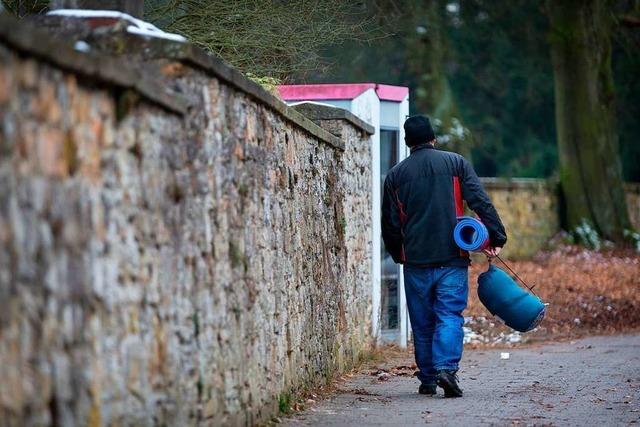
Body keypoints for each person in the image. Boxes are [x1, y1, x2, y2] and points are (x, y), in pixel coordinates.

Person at [381, 115, 507, 398]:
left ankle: (427, 378)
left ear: (407, 143)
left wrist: (398, 254)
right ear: (433, 138)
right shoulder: (455, 163)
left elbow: (390, 224)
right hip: (452, 257)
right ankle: (446, 370)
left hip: (415, 261)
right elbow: (479, 201)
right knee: (449, 315)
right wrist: (496, 236)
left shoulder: (396, 176)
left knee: (423, 321)